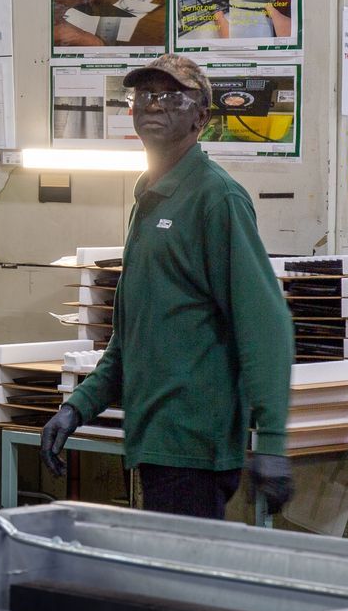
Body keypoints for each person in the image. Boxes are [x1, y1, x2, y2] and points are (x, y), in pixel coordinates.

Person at [40, 54, 296, 519]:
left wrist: (273, 441)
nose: (154, 105)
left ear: (201, 116)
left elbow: (265, 324)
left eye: (171, 95)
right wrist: (78, 407)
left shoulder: (216, 198)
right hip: (154, 441)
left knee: (180, 585)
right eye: (144, 95)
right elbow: (133, 335)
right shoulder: (149, 197)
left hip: (194, 445)